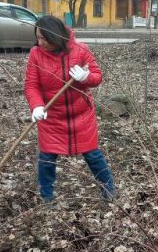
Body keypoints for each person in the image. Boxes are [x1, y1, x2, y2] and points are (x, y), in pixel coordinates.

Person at [25, 15, 115, 203]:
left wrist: (85, 77)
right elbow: (31, 85)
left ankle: (109, 191)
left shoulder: (81, 50)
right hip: (52, 116)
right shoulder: (36, 54)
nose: (40, 43)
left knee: (93, 154)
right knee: (47, 157)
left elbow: (97, 77)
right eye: (38, 38)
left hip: (81, 115)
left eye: (44, 38)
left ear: (55, 36)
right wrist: (37, 106)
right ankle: (47, 197)